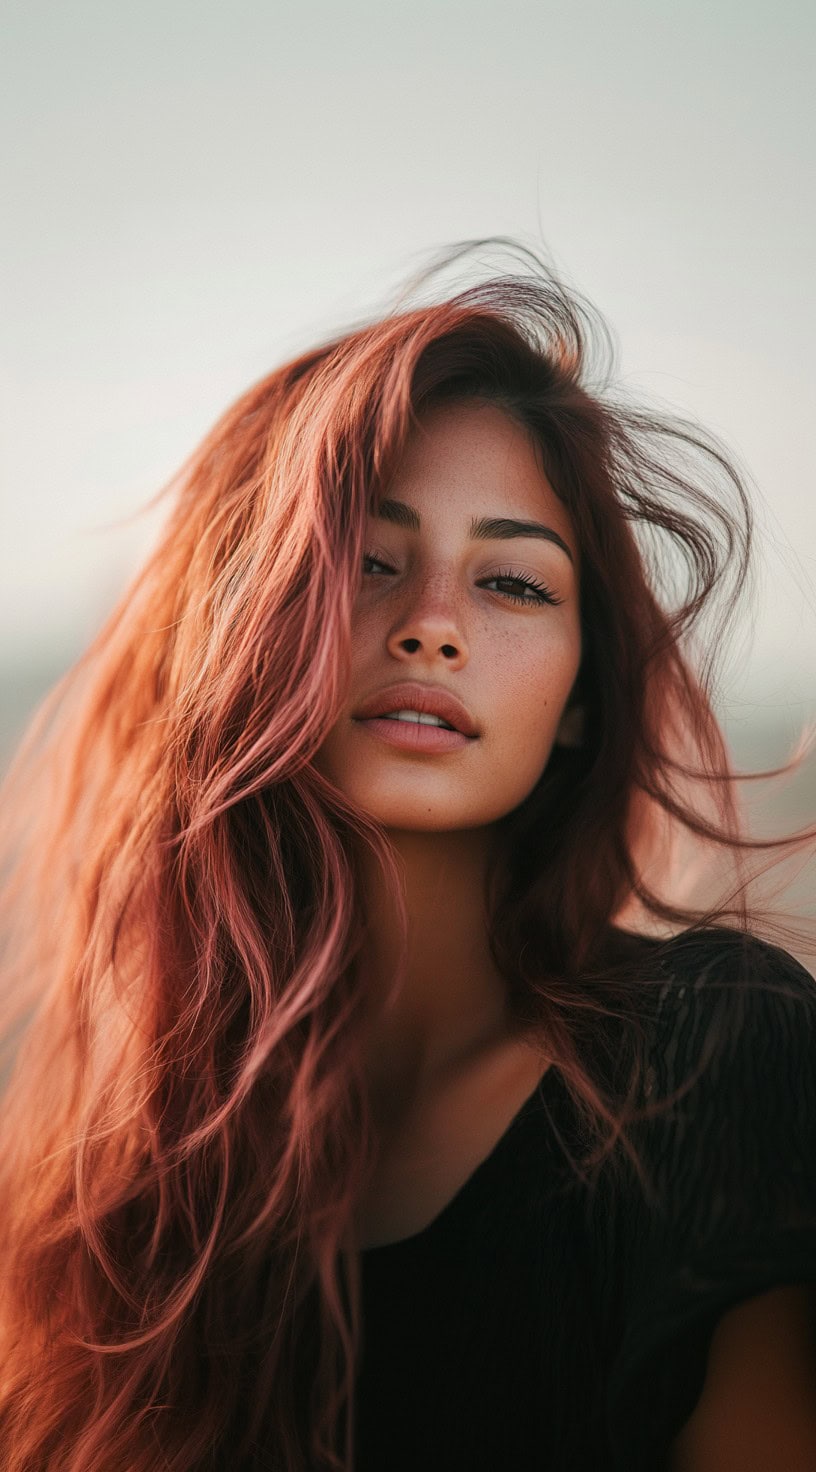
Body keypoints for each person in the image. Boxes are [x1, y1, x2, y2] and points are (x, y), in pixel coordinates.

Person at [0, 241, 815, 1471]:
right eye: (371, 562)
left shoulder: (715, 1053)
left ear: (583, 696)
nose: (433, 624)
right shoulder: (112, 1196)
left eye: (512, 584)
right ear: (248, 630)